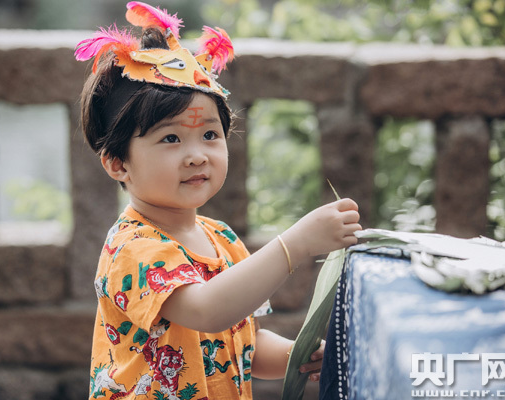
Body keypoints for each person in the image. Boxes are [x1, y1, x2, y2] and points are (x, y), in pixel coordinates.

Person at [75, 2, 362, 399]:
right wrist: (295, 244)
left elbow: (243, 342)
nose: (197, 155)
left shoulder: (221, 238)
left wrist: (300, 354)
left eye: (210, 135)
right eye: (171, 138)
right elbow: (207, 310)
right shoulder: (132, 248)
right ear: (118, 164)